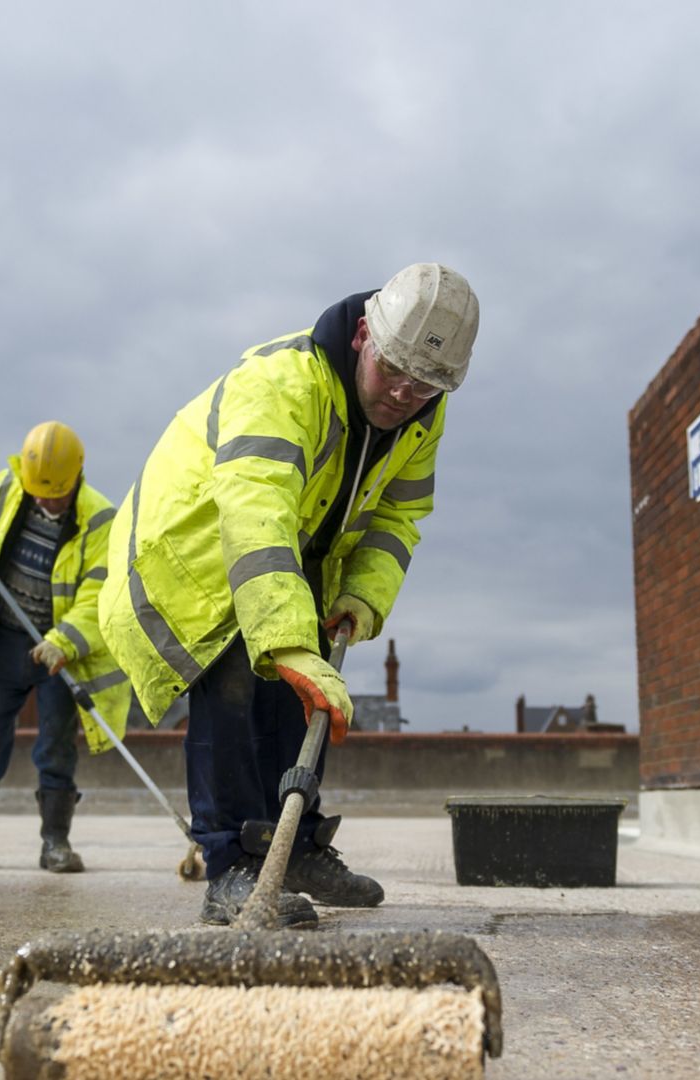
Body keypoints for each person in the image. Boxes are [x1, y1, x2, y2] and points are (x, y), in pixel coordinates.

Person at [99, 263, 478, 927]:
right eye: (393, 370)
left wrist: (361, 597)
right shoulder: (281, 383)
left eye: (425, 385)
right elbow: (255, 513)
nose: (402, 394)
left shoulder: (422, 413)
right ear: (364, 334)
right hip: (197, 546)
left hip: (284, 550)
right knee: (238, 681)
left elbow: (398, 517)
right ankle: (231, 866)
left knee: (301, 694)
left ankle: (294, 847)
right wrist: (286, 641)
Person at [0, 421, 137, 874]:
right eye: (38, 492)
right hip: (4, 638)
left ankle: (55, 842)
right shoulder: (5, 488)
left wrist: (64, 642)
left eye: (54, 494)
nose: (44, 501)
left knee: (56, 745)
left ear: (77, 476)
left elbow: (100, 594)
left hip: (60, 650)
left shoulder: (101, 519)